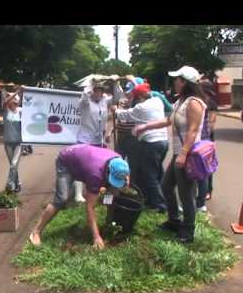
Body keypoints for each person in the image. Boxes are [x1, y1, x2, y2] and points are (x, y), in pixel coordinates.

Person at [134, 66, 207, 243]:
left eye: (177, 79)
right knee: (166, 187)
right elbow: (168, 121)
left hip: (187, 154)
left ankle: (188, 231)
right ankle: (174, 220)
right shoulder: (180, 102)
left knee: (186, 194)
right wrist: (145, 126)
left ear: (185, 82)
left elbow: (192, 130)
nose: (175, 82)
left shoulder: (194, 103)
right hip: (178, 153)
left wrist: (182, 154)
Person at [29, 144, 130, 249]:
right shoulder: (95, 174)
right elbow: (90, 207)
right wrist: (96, 237)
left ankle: (109, 223)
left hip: (84, 156)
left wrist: (116, 189)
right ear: (108, 171)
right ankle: (36, 232)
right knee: (62, 199)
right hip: (66, 160)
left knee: (113, 192)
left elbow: (125, 178)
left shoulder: (120, 162)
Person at [113, 81, 168, 213]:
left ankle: (159, 205)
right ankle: (153, 199)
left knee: (149, 175)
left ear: (139, 97)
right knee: (157, 172)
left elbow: (124, 115)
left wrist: (116, 110)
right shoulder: (157, 101)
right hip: (164, 142)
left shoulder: (141, 108)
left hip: (151, 143)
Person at [74, 76, 125, 203]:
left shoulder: (104, 100)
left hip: (98, 139)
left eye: (101, 90)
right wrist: (91, 82)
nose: (99, 93)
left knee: (97, 166)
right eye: (96, 90)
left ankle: (93, 190)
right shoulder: (85, 101)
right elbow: (85, 95)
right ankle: (78, 194)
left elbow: (118, 97)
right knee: (81, 166)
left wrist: (115, 83)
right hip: (85, 139)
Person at [196, 79, 218, 210]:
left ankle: (208, 191)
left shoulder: (211, 103)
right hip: (201, 138)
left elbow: (211, 123)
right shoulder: (199, 101)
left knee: (207, 167)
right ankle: (201, 192)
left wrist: (204, 138)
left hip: (206, 140)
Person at [2, 89, 23, 193]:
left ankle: (10, 185)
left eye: (15, 99)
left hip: (19, 142)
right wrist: (17, 92)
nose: (12, 101)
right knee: (13, 166)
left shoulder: (21, 111)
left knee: (14, 164)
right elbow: (5, 102)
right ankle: (18, 183)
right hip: (8, 142)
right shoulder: (6, 110)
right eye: (11, 99)